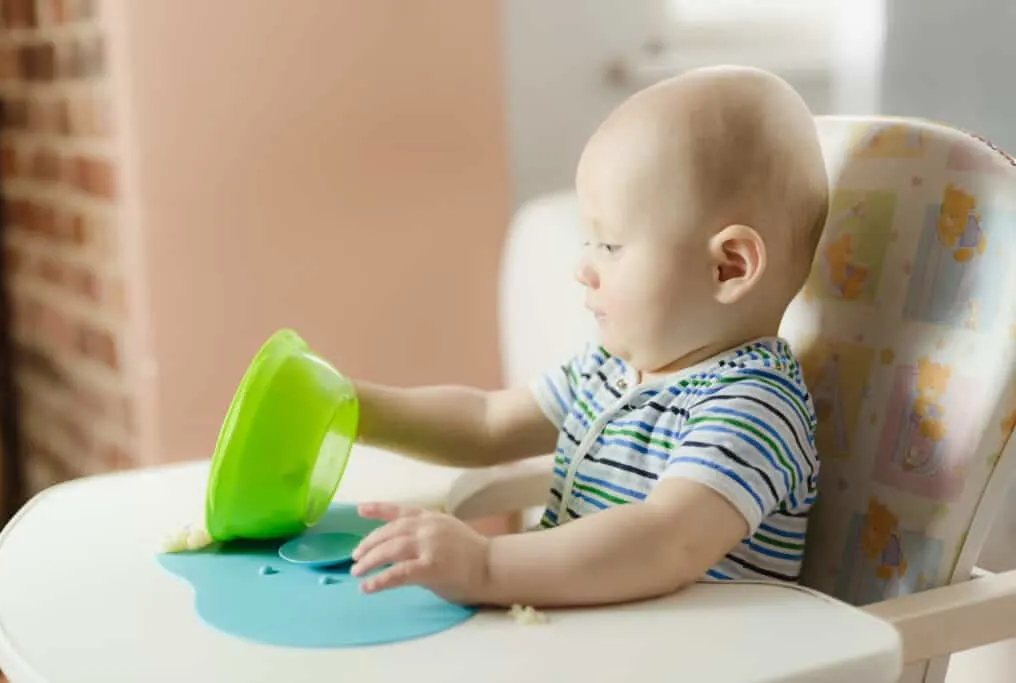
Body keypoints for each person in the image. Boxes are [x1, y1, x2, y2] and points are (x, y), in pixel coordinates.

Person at [348, 65, 828, 608]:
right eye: (588, 241)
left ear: (728, 268)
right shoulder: (611, 369)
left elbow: (665, 540)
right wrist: (357, 412)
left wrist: (486, 565)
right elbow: (487, 422)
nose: (583, 267)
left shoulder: (755, 404)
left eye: (611, 246)